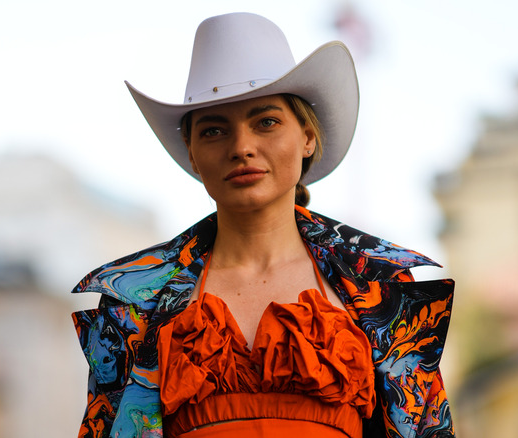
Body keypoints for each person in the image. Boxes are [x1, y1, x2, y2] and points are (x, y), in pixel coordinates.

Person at [71, 12, 455, 438]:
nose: (242, 147)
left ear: (307, 136)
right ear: (193, 152)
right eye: (215, 130)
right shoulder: (132, 304)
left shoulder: (381, 287)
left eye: (266, 122)